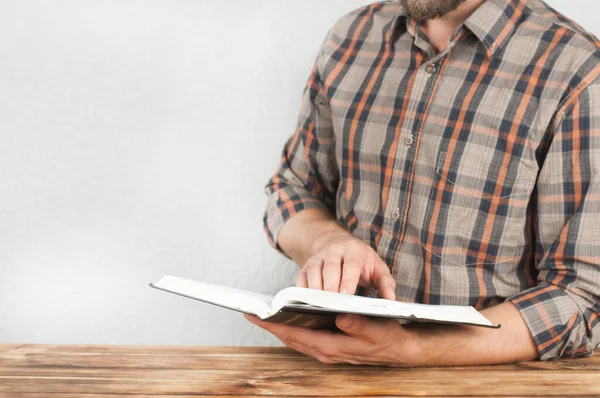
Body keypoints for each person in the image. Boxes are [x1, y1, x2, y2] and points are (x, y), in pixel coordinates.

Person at [245, 0, 600, 366]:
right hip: (330, 372)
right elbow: (292, 191)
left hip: (481, 385)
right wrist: (328, 242)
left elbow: (581, 297)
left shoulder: (575, 70)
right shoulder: (350, 37)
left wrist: (412, 350)